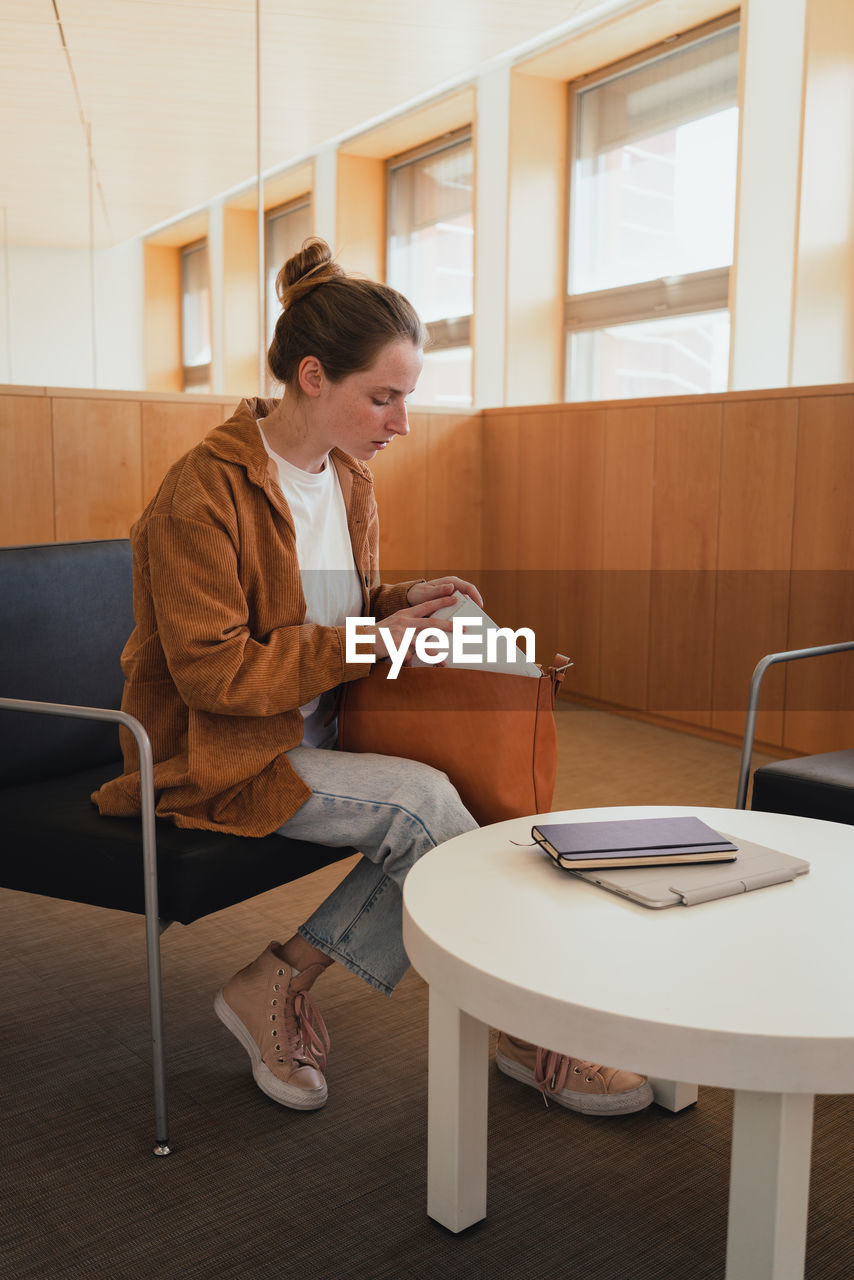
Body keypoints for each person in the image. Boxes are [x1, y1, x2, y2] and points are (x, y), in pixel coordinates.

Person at [94, 238, 652, 1118]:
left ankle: (313, 986)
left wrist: (399, 600)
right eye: (383, 397)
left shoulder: (347, 482)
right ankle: (508, 1020)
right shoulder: (198, 497)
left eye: (406, 398)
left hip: (323, 730)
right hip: (223, 751)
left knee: (476, 802)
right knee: (429, 810)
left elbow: (318, 610)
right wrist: (371, 639)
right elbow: (217, 676)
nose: (400, 422)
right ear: (312, 377)